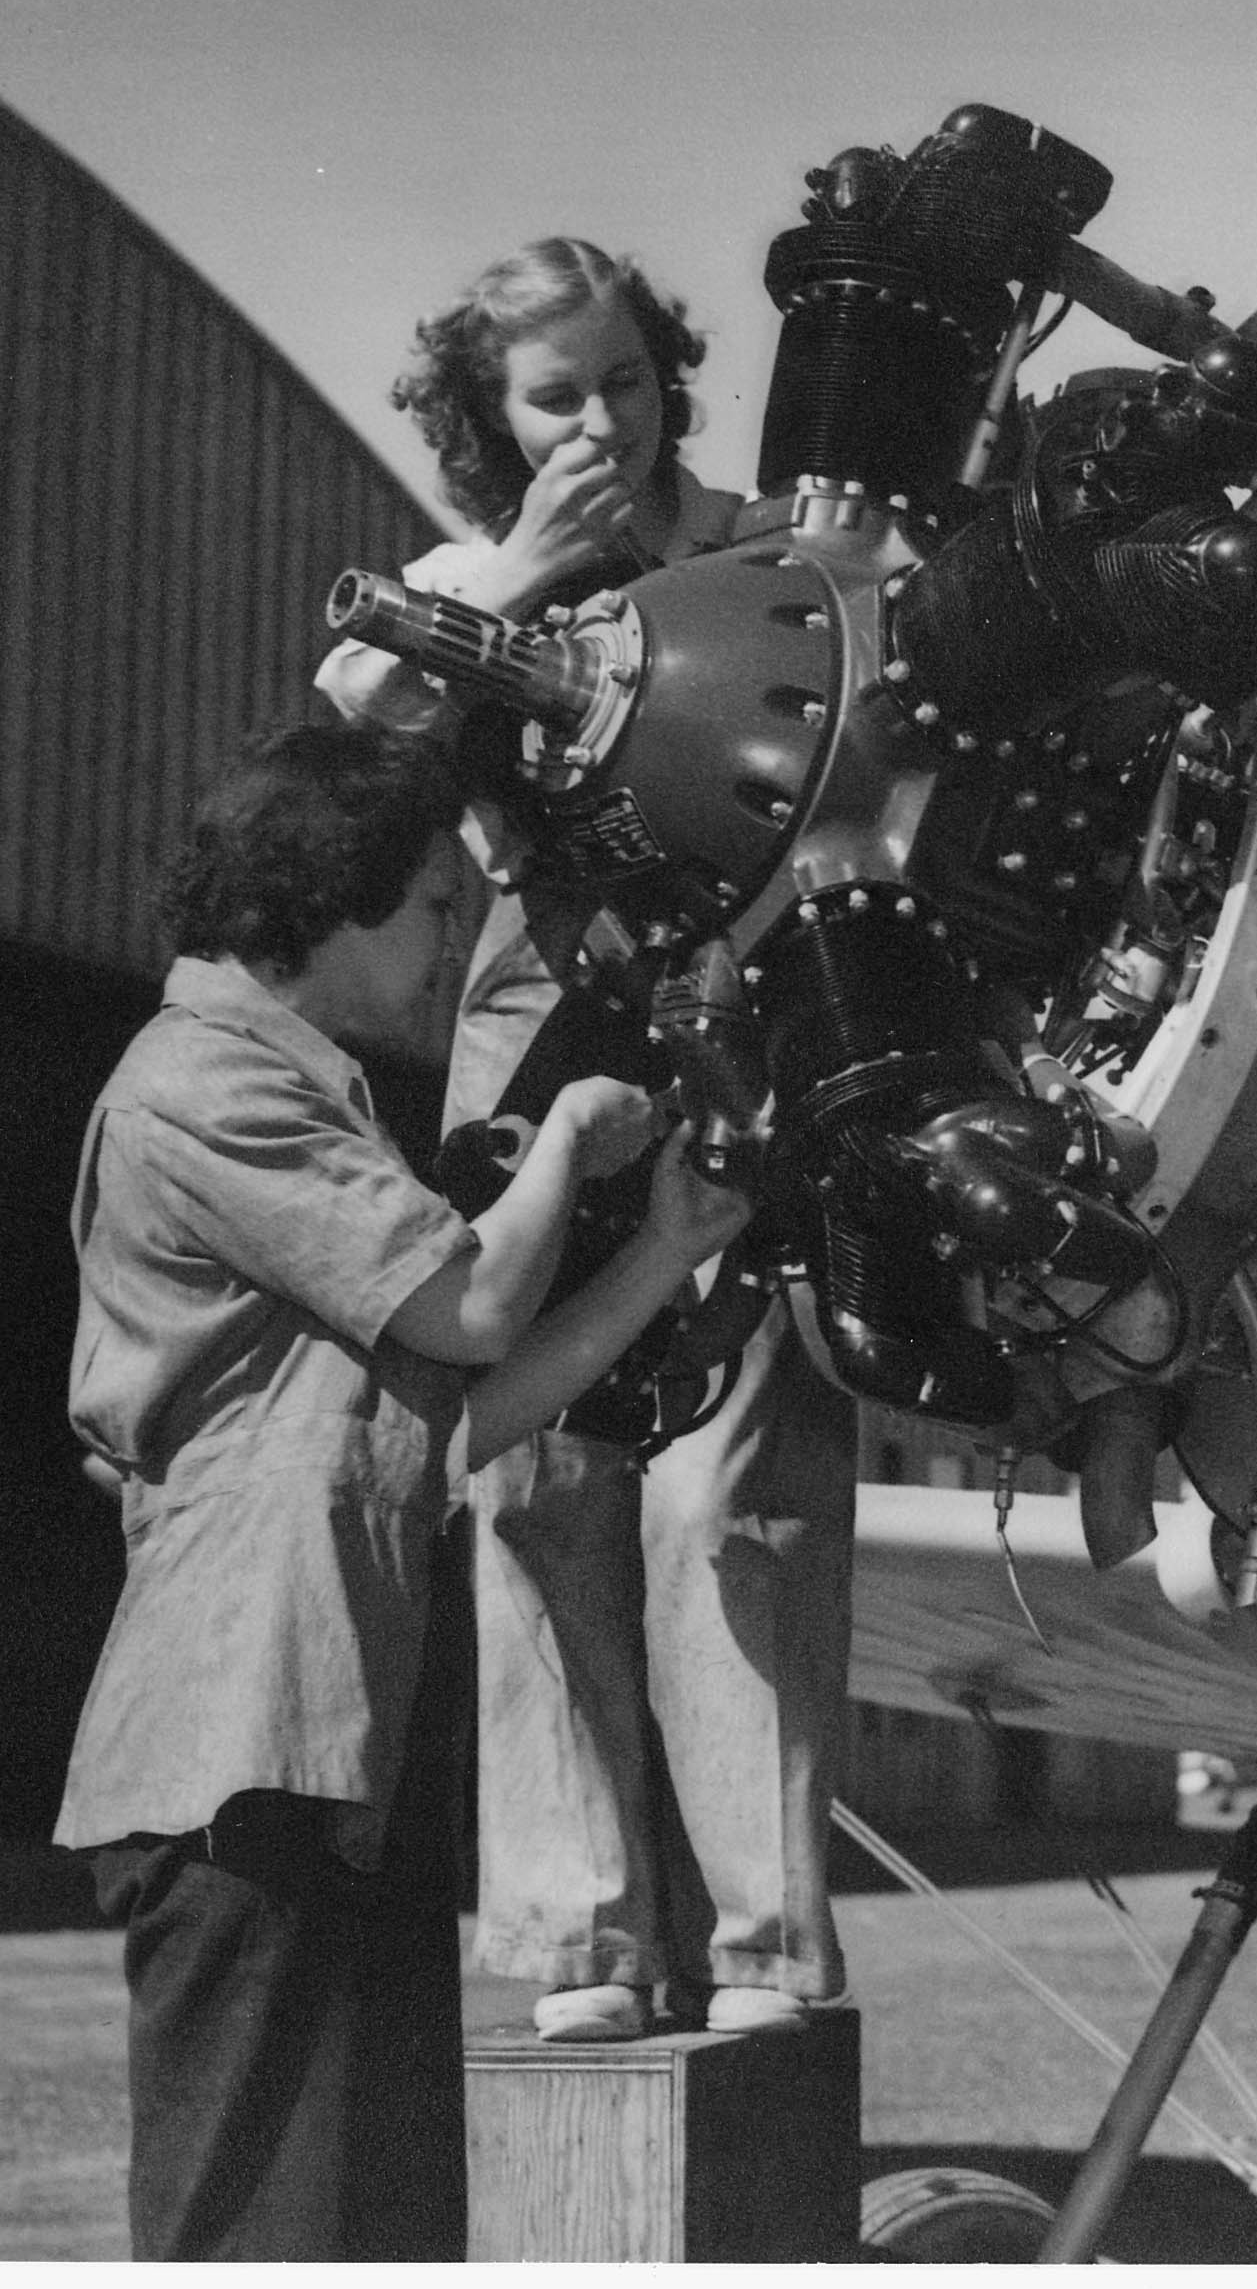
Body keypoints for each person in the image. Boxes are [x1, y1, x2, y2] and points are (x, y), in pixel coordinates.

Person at [57, 724, 755, 2259]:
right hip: (242, 1753)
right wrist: (568, 1135)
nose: (457, 943)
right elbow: (474, 1312)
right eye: (440, 905)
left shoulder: (300, 1095)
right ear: (338, 892)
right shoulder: (203, 1085)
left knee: (376, 2224)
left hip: (330, 1757)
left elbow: (461, 1419)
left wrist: (661, 1251)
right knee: (261, 2228)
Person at [317, 238, 855, 2043]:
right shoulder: (463, 577)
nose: (602, 420)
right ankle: (580, 1938)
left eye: (624, 380)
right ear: (491, 417)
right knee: (534, 1478)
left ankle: (769, 1943)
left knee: (736, 1485)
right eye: (557, 395)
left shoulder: (758, 540)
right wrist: (526, 580)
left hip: (749, 1013)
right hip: (538, 1031)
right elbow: (344, 735)